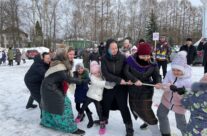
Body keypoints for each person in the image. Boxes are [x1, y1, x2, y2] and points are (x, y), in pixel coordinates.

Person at [40, 48, 85, 135]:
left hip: (48, 88)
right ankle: (71, 128)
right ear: (64, 56)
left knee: (50, 105)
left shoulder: (60, 63)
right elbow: (67, 78)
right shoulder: (60, 66)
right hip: (50, 89)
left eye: (73, 54)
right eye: (69, 54)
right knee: (65, 105)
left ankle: (47, 122)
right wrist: (81, 81)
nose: (72, 56)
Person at [125, 43, 162, 136]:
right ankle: (146, 121)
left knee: (146, 109)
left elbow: (157, 75)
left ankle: (155, 131)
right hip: (134, 89)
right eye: (143, 55)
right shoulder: (131, 60)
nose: (146, 57)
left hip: (147, 89)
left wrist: (158, 82)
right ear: (138, 54)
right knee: (135, 108)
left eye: (148, 55)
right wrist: (134, 79)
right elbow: (125, 71)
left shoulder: (153, 62)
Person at [101, 38, 134, 136]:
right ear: (107, 49)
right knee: (106, 103)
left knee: (123, 105)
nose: (114, 50)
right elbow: (105, 73)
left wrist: (128, 79)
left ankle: (129, 125)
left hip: (122, 86)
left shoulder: (123, 57)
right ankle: (104, 119)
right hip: (109, 85)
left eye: (116, 48)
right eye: (112, 48)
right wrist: (118, 80)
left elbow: (126, 71)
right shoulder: (104, 58)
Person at [157, 51, 192, 136]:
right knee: (161, 114)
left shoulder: (187, 80)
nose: (175, 72)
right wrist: (162, 86)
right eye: (174, 69)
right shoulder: (169, 73)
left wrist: (182, 92)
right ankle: (166, 133)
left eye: (178, 70)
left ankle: (186, 134)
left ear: (183, 69)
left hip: (179, 104)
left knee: (180, 124)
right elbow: (165, 84)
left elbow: (190, 95)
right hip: (166, 99)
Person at [76, 61, 115, 134]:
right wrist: (105, 83)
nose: (97, 74)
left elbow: (106, 85)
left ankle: (102, 124)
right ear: (92, 73)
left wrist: (111, 85)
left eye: (98, 72)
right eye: (95, 73)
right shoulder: (92, 77)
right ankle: (80, 114)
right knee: (84, 106)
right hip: (90, 95)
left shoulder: (102, 78)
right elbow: (96, 83)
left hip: (97, 97)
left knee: (99, 111)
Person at [73, 63, 92, 128]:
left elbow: (87, 80)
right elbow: (74, 80)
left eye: (81, 68)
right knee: (77, 106)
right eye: (78, 69)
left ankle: (90, 118)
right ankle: (82, 114)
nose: (80, 70)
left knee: (85, 106)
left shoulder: (86, 74)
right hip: (78, 92)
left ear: (83, 68)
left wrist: (81, 81)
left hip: (85, 92)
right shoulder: (75, 75)